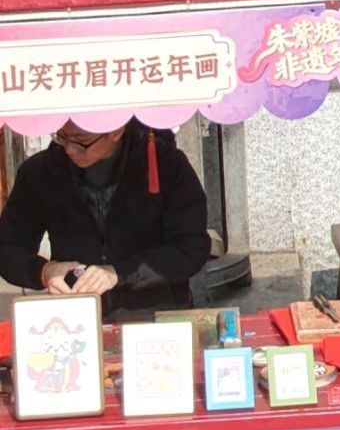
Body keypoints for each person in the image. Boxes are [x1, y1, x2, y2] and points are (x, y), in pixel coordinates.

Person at [0, 120, 211, 317]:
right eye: (62, 137)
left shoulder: (166, 164)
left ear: (115, 131)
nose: (69, 149)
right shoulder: (39, 172)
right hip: (76, 317)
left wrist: (120, 273)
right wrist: (44, 271)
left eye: (81, 142)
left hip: (155, 314)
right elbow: (8, 249)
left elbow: (191, 248)